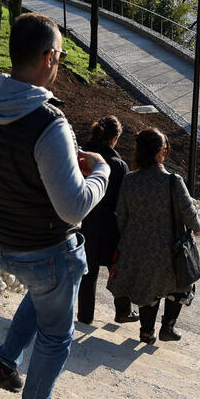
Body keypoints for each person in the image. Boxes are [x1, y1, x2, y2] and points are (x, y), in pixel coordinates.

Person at [0, 12, 110, 399]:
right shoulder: (48, 122)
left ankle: (6, 364)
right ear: (48, 57)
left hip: (1, 241)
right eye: (61, 55)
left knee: (43, 295)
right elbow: (74, 208)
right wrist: (101, 170)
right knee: (56, 334)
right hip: (45, 252)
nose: (60, 63)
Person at [107, 128, 200, 345]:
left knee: (147, 287)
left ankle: (146, 333)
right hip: (168, 249)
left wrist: (130, 239)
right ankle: (167, 327)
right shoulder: (172, 181)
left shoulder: (130, 180)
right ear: (163, 152)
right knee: (179, 283)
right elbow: (189, 212)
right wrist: (198, 229)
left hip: (136, 248)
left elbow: (121, 215)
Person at [77, 116, 137, 325]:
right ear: (115, 138)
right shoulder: (118, 165)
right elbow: (126, 199)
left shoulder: (82, 156)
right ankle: (123, 311)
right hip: (111, 224)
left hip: (84, 219)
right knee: (117, 268)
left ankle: (85, 316)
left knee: (88, 272)